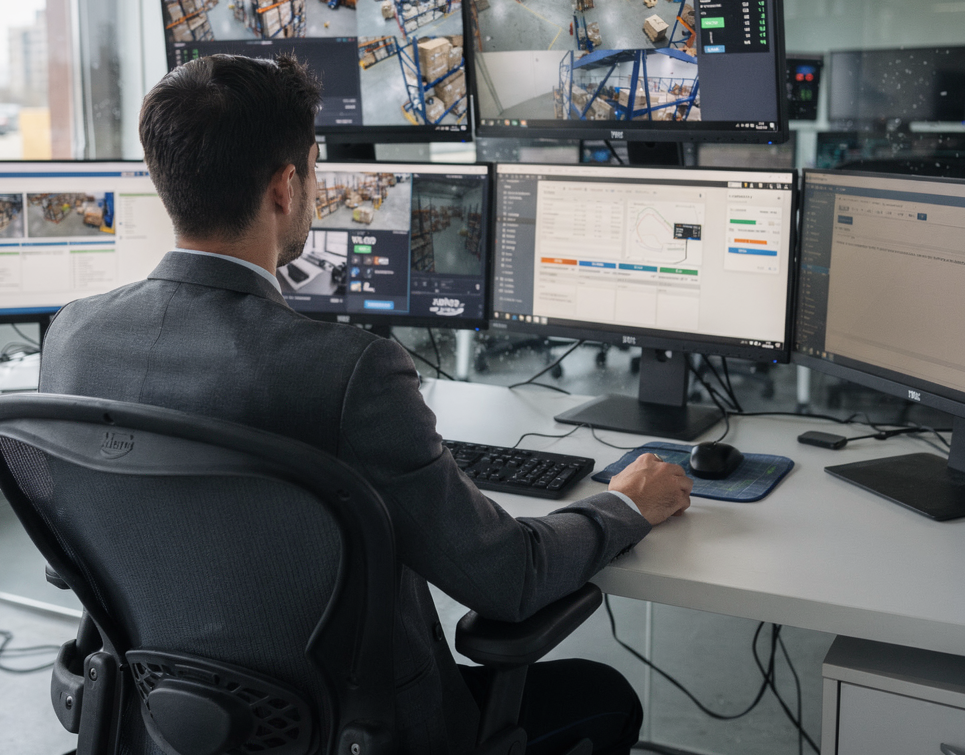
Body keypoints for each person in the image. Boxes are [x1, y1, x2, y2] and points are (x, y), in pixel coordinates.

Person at [39, 52, 693, 755]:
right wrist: (625, 502)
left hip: (166, 720)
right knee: (604, 697)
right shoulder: (347, 370)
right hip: (363, 734)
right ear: (287, 187)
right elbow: (509, 577)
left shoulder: (74, 336)